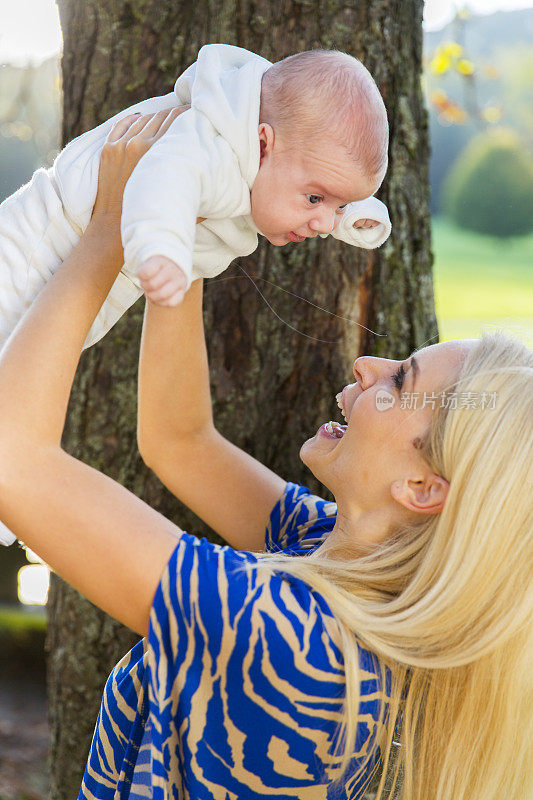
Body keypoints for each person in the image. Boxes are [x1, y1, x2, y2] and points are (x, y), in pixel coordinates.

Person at [0, 114, 530, 800]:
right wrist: (171, 233)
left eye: (400, 381)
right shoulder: (342, 563)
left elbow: (13, 464)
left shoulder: (299, 645)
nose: (367, 362)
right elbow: (179, 440)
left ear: (424, 489)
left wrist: (107, 231)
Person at [0, 44, 390, 361]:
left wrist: (354, 215)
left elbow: (319, 181)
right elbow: (164, 184)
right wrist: (161, 251)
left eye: (338, 206)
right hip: (38, 248)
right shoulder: (209, 149)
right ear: (262, 143)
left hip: (75, 277)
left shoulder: (275, 161)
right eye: (315, 200)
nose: (323, 224)